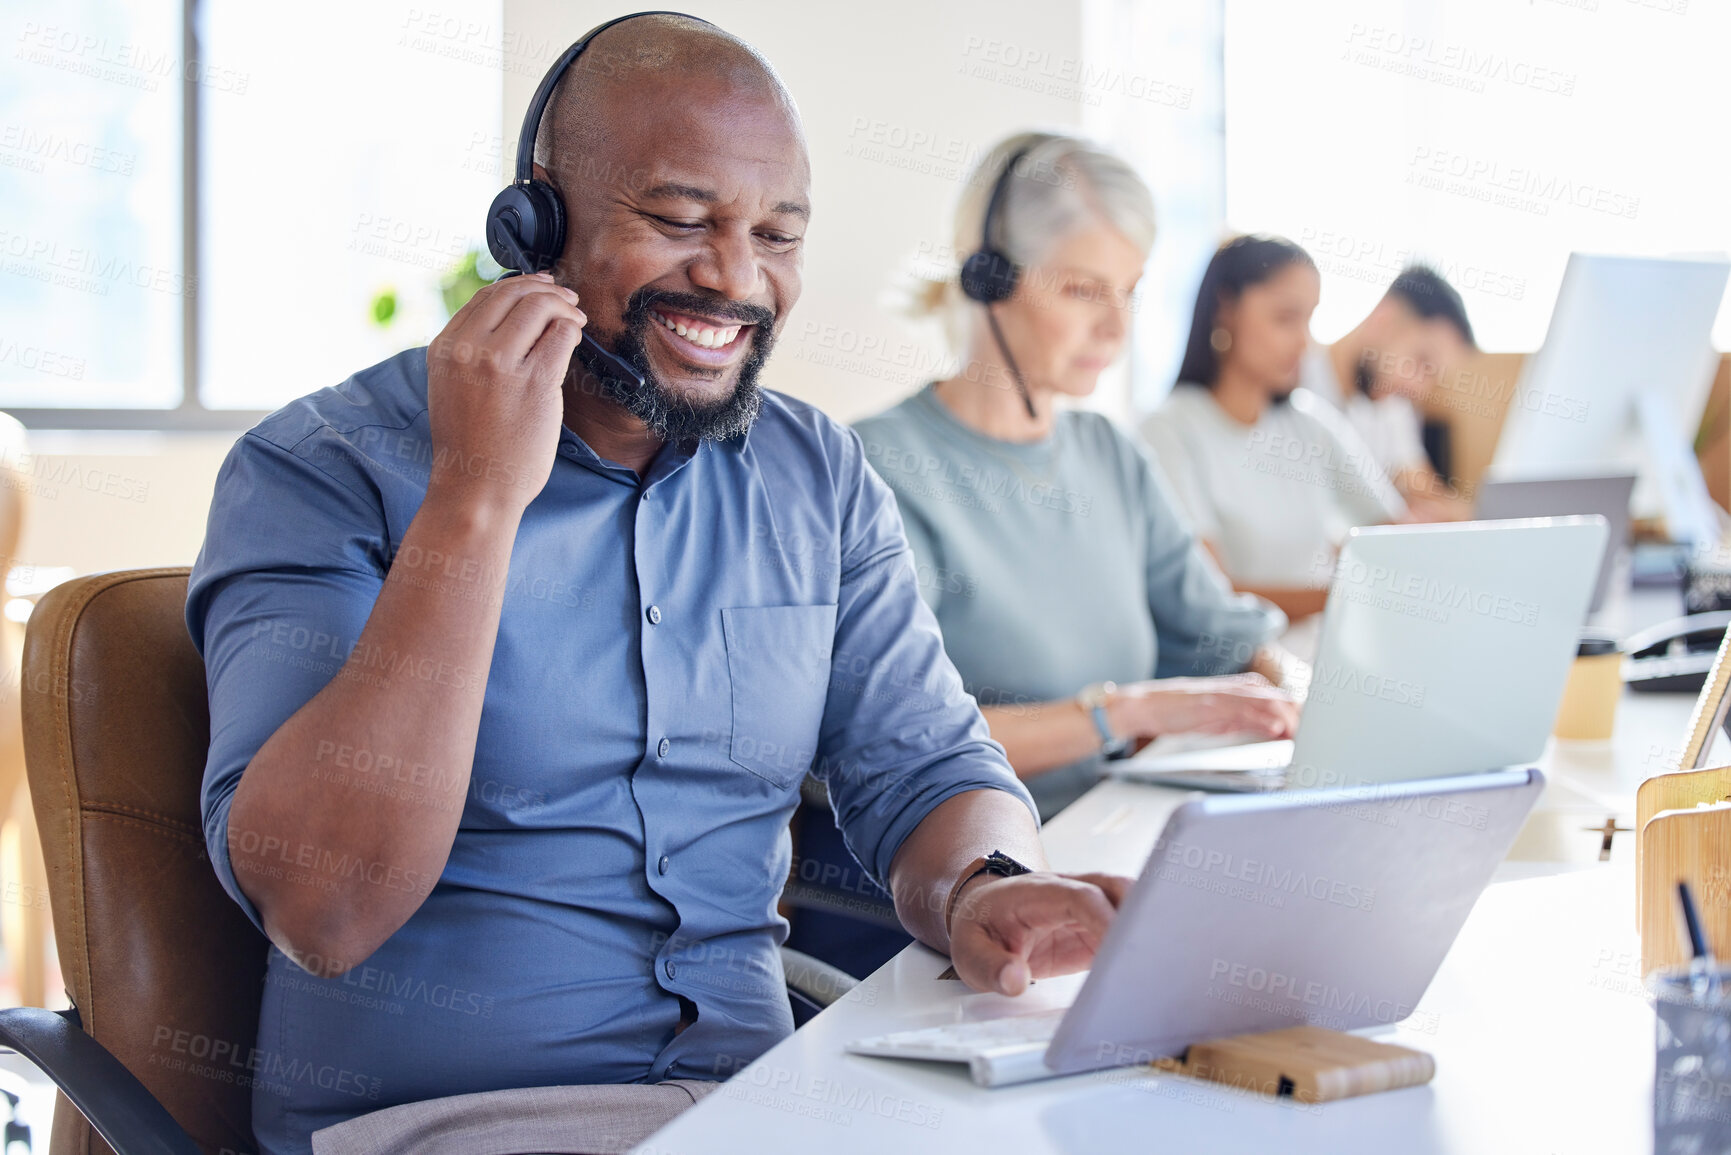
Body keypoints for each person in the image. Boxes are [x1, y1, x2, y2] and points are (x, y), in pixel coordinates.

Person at [185, 17, 1131, 1154]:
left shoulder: (813, 473)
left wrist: (983, 885)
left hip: (761, 1103)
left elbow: (926, 763)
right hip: (446, 1123)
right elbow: (325, 907)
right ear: (533, 220)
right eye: (681, 221)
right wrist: (477, 502)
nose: (736, 278)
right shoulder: (324, 468)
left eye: (777, 234)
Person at [784, 135, 1300, 977]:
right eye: (1081, 289)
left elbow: (1228, 636)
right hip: (930, 913)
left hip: (1096, 852)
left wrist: (1295, 687)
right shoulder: (876, 468)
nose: (1116, 327)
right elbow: (889, 739)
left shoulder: (1108, 455)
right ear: (988, 280)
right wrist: (1125, 710)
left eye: (1129, 292)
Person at [1139, 235, 1407, 622]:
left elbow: (1392, 531)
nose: (1304, 343)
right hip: (1243, 665)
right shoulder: (1169, 431)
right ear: (1225, 309)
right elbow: (1212, 594)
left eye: (1309, 320)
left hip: (1326, 647)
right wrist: (1342, 599)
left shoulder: (1312, 423)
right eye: (1285, 318)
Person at [1299, 265, 1477, 520]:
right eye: (1422, 362)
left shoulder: (1392, 407)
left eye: (1433, 377)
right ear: (1384, 319)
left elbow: (1423, 487)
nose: (1419, 389)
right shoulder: (1295, 382)